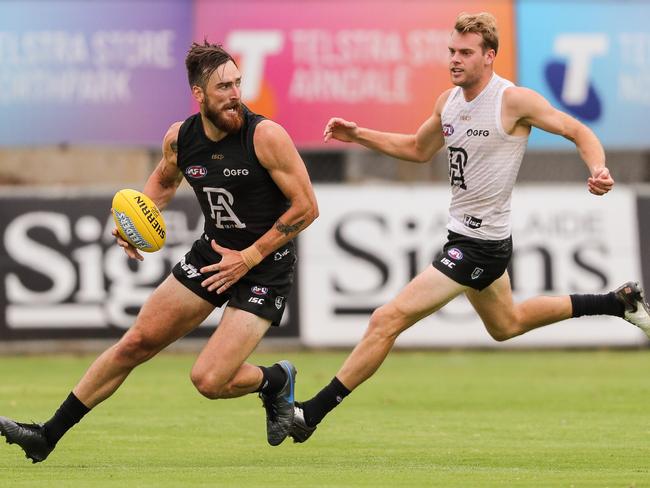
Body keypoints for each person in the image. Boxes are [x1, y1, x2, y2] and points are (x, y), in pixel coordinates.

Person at [286, 12, 650, 443]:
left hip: (481, 245)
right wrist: (358, 133)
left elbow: (576, 129)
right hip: (464, 237)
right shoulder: (449, 101)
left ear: (489, 56)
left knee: (387, 318)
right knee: (507, 325)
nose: (454, 60)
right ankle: (615, 302)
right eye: (451, 52)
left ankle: (310, 413)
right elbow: (418, 149)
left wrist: (599, 169)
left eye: (465, 53)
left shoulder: (512, 101)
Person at [0, 41, 318, 463]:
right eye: (223, 87)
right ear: (199, 94)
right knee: (135, 344)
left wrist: (250, 257)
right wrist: (137, 219)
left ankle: (275, 379)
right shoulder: (181, 138)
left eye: (238, 84)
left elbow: (307, 208)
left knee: (208, 380)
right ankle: (46, 435)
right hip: (211, 256)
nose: (235, 94)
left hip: (263, 267)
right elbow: (164, 183)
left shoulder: (265, 136)